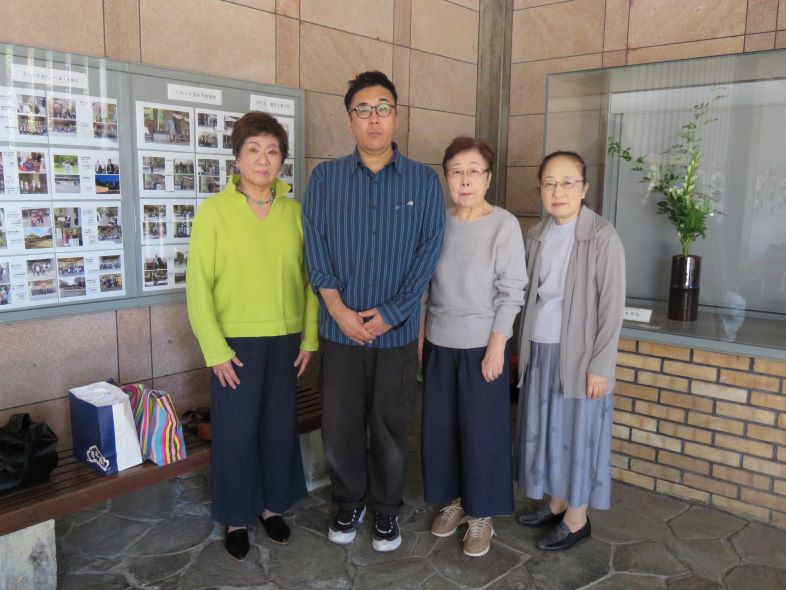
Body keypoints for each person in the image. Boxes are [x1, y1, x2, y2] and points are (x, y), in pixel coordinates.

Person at [303, 70, 445, 552]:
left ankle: (386, 512)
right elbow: (315, 247)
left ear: (396, 116)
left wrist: (392, 312)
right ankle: (348, 501)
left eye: (383, 107)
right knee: (340, 426)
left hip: (396, 334)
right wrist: (338, 309)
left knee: (388, 425)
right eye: (363, 110)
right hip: (338, 331)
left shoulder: (424, 182)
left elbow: (429, 251)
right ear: (350, 121)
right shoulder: (325, 178)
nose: (374, 118)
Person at [186, 111, 318, 561]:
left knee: (278, 429)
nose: (264, 159)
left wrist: (310, 339)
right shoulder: (214, 212)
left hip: (285, 341)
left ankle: (269, 508)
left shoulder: (294, 213)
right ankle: (237, 517)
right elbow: (197, 287)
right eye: (254, 150)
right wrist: (215, 350)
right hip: (235, 345)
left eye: (273, 150)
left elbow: (311, 280)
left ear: (282, 158)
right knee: (236, 433)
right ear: (237, 157)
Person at [420, 136, 526, 557]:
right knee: (442, 430)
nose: (465, 179)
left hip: (484, 345)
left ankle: (482, 515)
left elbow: (512, 290)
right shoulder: (438, 222)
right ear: (446, 177)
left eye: (474, 170)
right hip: (439, 343)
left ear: (488, 176)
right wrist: (420, 339)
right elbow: (424, 287)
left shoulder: (503, 224)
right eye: (456, 171)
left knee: (483, 432)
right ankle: (455, 502)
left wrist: (498, 345)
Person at [514, 151, 626, 551]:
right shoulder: (536, 234)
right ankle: (557, 501)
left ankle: (577, 518)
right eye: (549, 183)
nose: (558, 191)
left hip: (579, 357)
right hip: (540, 351)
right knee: (546, 431)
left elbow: (612, 309)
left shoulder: (601, 236)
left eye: (567, 183)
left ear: (585, 188)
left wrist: (601, 366)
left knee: (578, 434)